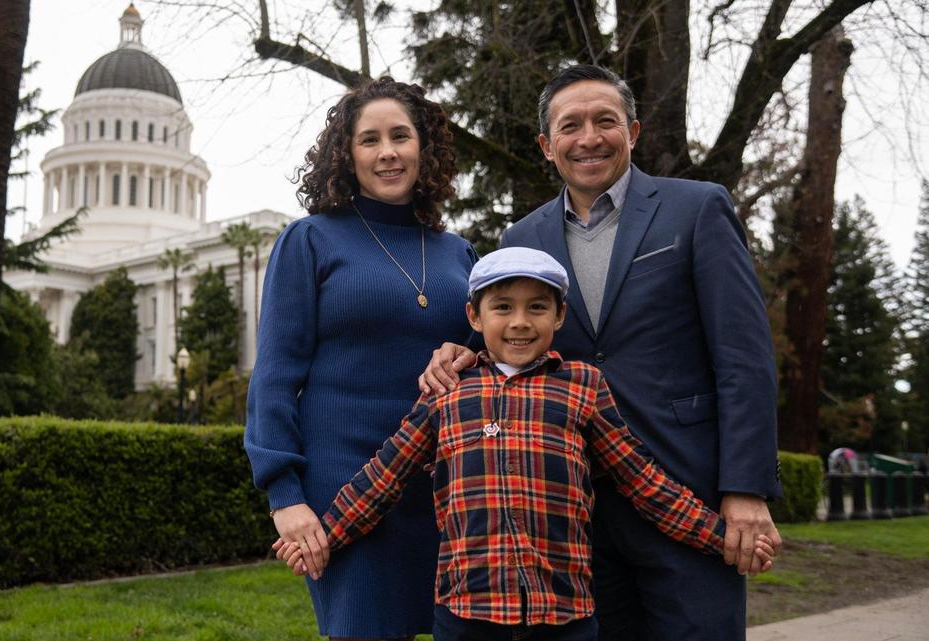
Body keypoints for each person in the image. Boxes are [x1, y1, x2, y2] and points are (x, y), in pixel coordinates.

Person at [420, 65, 783, 641]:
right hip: (575, 518)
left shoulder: (696, 209)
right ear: (547, 145)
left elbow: (744, 358)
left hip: (688, 490)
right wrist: (456, 352)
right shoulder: (522, 238)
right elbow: (509, 339)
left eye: (605, 121)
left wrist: (745, 488)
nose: (588, 137)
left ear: (632, 131)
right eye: (570, 126)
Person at [279, 247, 775, 641]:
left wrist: (721, 536)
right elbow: (384, 476)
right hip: (467, 608)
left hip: (564, 612)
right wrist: (324, 536)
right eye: (503, 307)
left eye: (537, 307)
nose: (520, 322)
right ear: (474, 316)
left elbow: (641, 479)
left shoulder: (582, 384)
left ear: (559, 316)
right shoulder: (449, 391)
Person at [244, 77, 478, 640]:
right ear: (347, 156)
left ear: (424, 148)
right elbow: (275, 377)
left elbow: (493, 353)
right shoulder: (310, 240)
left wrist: (469, 354)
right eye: (369, 140)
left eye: (401, 136)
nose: (388, 151)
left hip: (449, 491)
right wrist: (286, 498)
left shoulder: (460, 252)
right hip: (347, 491)